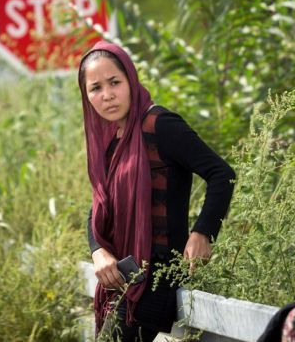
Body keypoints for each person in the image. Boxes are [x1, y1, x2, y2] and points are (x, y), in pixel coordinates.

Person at [78, 42, 235, 341]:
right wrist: (98, 251)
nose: (107, 95)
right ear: (87, 96)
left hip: (158, 277)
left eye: (115, 82)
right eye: (95, 88)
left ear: (131, 81)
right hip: (125, 274)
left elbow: (222, 175)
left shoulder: (161, 126)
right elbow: (98, 205)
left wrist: (203, 233)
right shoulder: (112, 140)